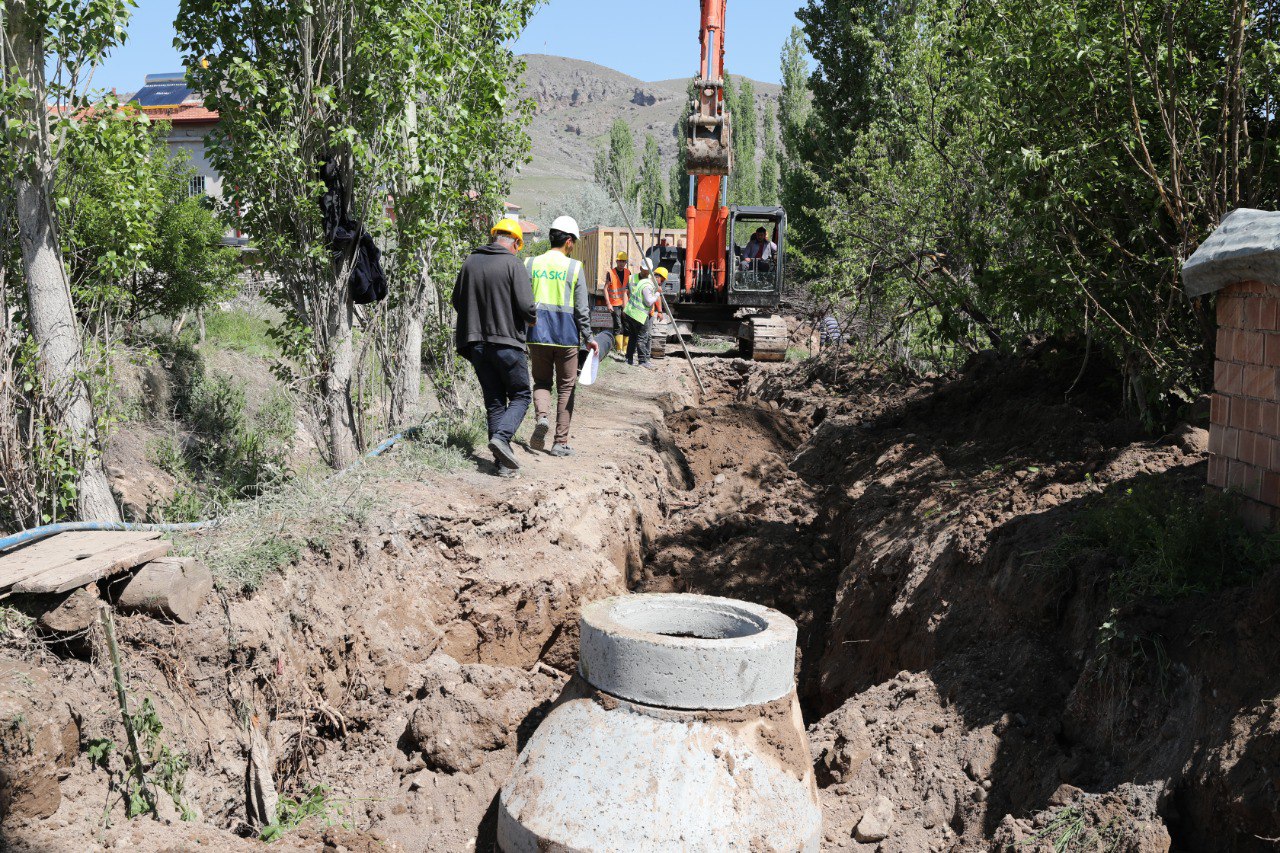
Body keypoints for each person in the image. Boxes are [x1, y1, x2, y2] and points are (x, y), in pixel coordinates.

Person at [452, 218, 537, 478]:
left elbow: (457, 300)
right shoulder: (513, 264)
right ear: (516, 243)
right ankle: (501, 438)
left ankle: (501, 464)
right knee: (521, 395)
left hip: (476, 344)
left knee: (495, 401)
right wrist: (531, 318)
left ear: (495, 237)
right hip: (507, 343)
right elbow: (526, 306)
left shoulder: (470, 261)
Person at [525, 215, 598, 457]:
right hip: (566, 337)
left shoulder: (530, 263)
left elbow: (522, 302)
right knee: (566, 387)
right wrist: (588, 337)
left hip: (537, 335)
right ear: (568, 241)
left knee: (542, 383)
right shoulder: (574, 267)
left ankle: (542, 418)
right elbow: (582, 309)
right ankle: (560, 442)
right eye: (574, 242)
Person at [623, 263, 666, 369]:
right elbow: (648, 301)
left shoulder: (644, 281)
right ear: (657, 277)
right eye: (662, 281)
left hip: (631, 312)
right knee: (642, 337)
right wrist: (657, 293)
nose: (662, 283)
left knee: (633, 336)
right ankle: (642, 361)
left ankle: (629, 358)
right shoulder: (648, 285)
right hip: (639, 314)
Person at [603, 251, 631, 350]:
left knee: (627, 326)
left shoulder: (628, 273)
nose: (622, 263)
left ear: (626, 262)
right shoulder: (611, 273)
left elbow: (630, 289)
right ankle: (619, 350)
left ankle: (625, 350)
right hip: (615, 303)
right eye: (620, 261)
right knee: (618, 326)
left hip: (625, 303)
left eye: (624, 261)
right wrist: (608, 304)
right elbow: (605, 289)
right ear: (616, 261)